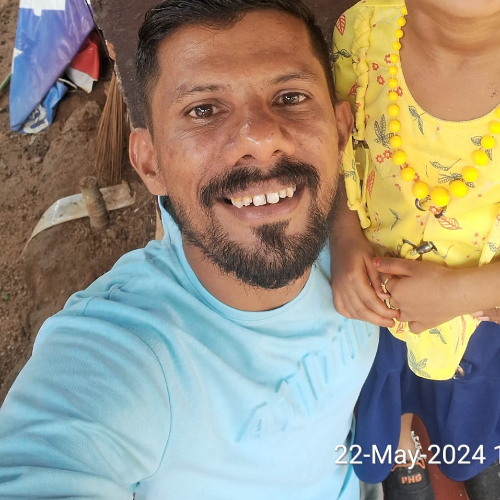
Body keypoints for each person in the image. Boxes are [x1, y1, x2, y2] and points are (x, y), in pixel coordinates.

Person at [0, 1, 379, 499]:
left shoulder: (370, 230)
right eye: (203, 110)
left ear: (341, 129)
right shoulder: (127, 349)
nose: (261, 137)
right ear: (149, 163)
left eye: (290, 97)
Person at [331, 0, 500, 499]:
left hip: (479, 324)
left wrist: (466, 292)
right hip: (374, 306)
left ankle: (456, 449)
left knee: (463, 407)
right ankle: (402, 444)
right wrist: (344, 234)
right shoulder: (361, 32)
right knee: (389, 383)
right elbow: (336, 145)